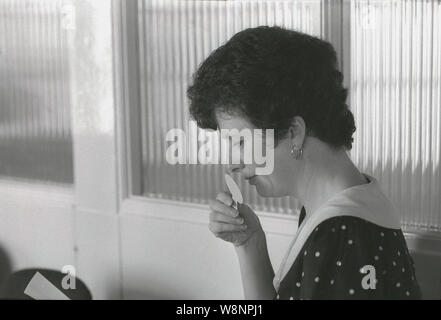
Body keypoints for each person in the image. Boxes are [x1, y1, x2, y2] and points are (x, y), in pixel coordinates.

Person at [187, 26, 421, 300]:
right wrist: (249, 243)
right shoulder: (338, 212)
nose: (233, 165)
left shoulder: (341, 234)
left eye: (241, 143)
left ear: (293, 132)